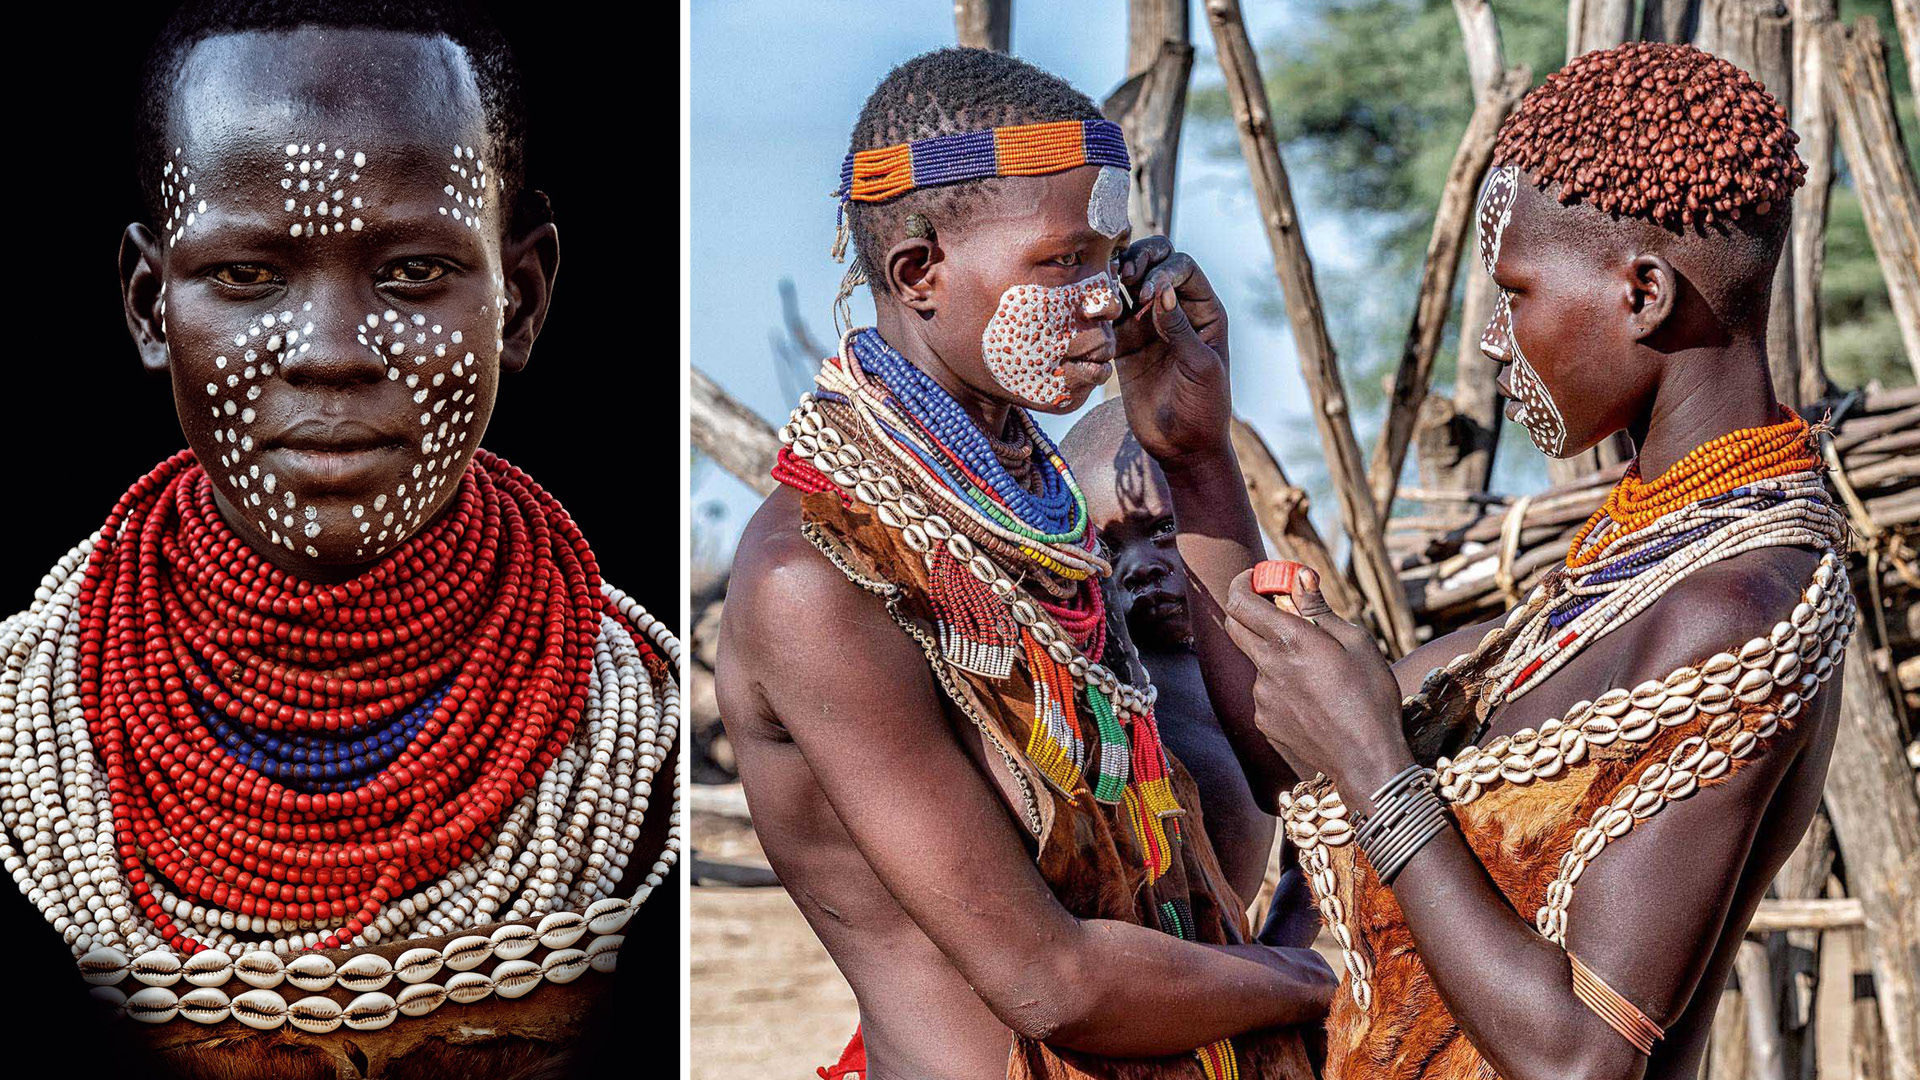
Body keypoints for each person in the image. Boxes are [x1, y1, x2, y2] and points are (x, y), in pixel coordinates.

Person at [0, 2, 681, 1075]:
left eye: (412, 272)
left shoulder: (649, 746)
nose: (329, 354)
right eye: (245, 276)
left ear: (523, 299)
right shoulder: (22, 726)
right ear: (147, 307)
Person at [1219, 42, 1851, 1080]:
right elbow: (1274, 734)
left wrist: (1379, 770)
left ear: (1643, 294)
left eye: (1514, 294)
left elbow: (1582, 1059)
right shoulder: (1640, 560)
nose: (1492, 342)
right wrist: (1200, 455)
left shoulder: (1739, 607)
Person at [717, 47, 1331, 1080]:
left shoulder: (1042, 525)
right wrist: (1322, 979)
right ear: (920, 274)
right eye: (1060, 263)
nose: (1104, 300)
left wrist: (1196, 454)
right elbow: (1050, 982)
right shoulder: (820, 577)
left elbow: (1277, 761)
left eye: (1111, 259)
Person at [1058, 403, 1318, 950]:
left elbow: (1323, 823)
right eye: (1108, 549)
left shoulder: (1268, 662)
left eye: (1165, 530)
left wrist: (1280, 951)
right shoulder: (1109, 690)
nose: (1139, 566)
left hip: (1237, 971)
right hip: (1145, 978)